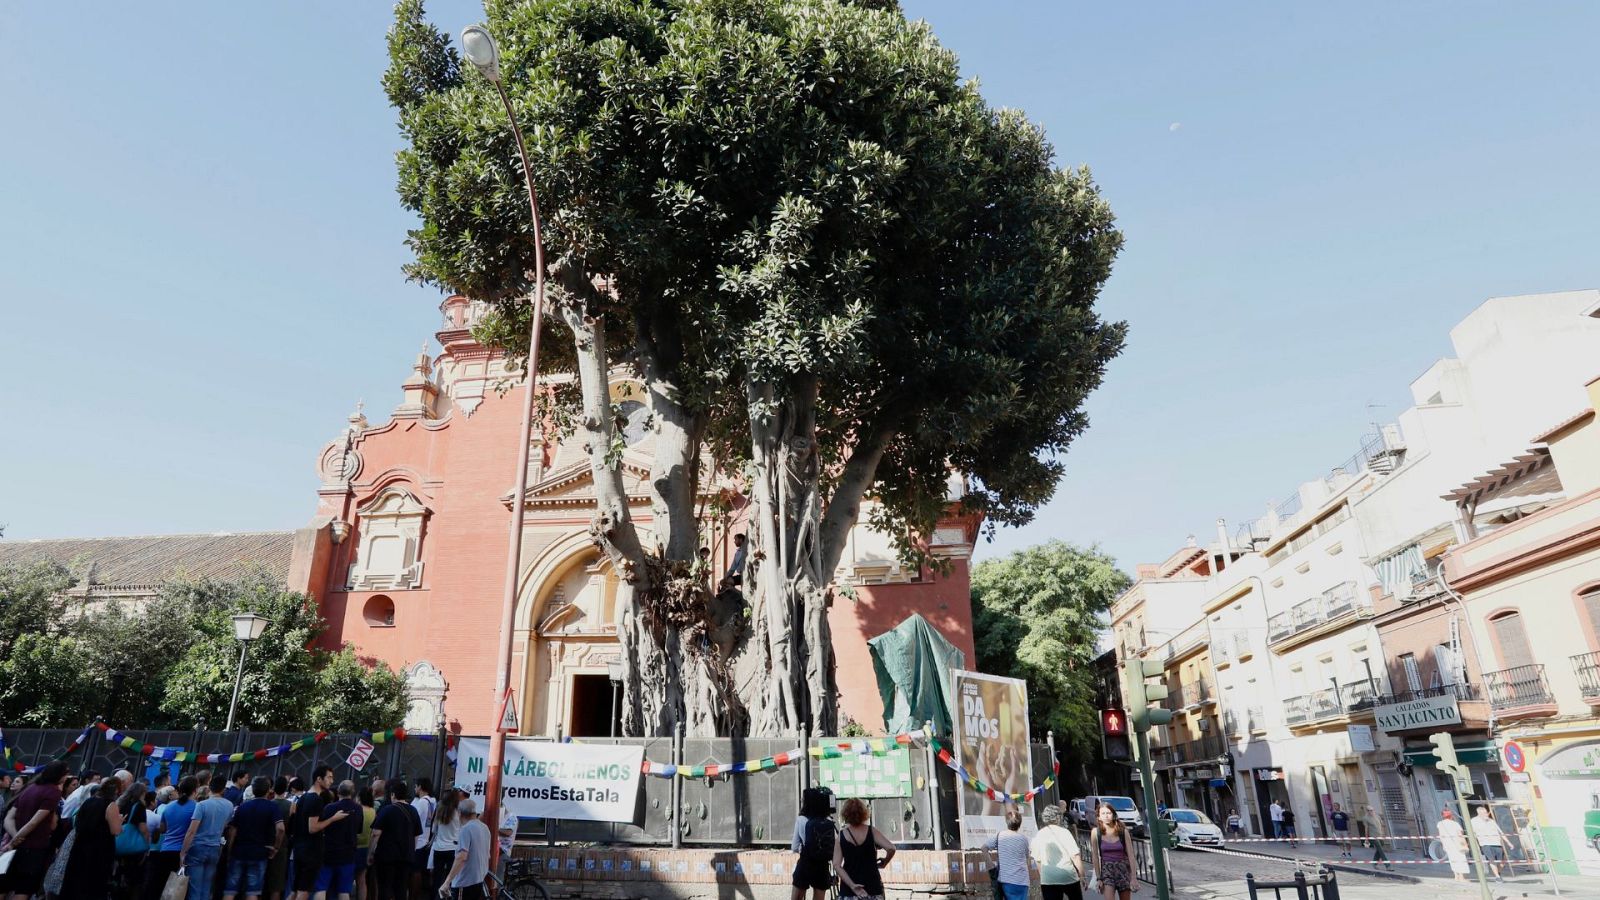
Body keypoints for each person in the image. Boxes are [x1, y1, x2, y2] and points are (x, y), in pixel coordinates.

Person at [2, 761, 68, 900]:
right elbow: (35, 822)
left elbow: (9, 818)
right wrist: (15, 840)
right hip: (34, 847)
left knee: (4, 884)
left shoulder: (30, 788)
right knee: (23, 888)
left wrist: (15, 837)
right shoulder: (53, 792)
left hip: (18, 846)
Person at [59, 776, 126, 900]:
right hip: (100, 850)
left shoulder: (88, 801)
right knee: (93, 884)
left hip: (80, 847)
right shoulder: (111, 805)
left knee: (76, 881)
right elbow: (115, 830)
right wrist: (120, 821)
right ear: (116, 790)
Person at [225, 777, 286, 900]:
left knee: (230, 890)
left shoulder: (243, 807)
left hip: (239, 851)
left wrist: (230, 849)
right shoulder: (272, 807)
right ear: (269, 790)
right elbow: (281, 828)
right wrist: (276, 847)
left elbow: (233, 831)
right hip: (259, 852)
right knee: (252, 891)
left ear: (252, 789)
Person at [290, 767, 344, 900]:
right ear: (319, 779)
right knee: (304, 891)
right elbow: (312, 828)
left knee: (295, 890)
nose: (332, 781)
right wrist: (333, 819)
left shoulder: (303, 798)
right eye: (329, 777)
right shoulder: (316, 799)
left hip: (300, 848)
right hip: (310, 851)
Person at [142, 775, 198, 900]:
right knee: (176, 889)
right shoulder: (196, 807)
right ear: (195, 790)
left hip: (166, 849)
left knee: (160, 884)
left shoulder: (169, 807)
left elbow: (163, 828)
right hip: (182, 852)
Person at [184, 774, 237, 900]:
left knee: (195, 887)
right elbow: (225, 825)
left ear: (209, 787)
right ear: (223, 789)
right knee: (207, 887)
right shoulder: (229, 805)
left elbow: (192, 831)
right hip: (215, 847)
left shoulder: (202, 805)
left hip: (198, 846)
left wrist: (183, 852)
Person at [833, 798, 896, 900]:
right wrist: (885, 862)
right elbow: (891, 848)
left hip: (849, 890)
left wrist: (853, 885)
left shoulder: (841, 835)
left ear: (845, 814)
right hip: (873, 887)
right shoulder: (871, 831)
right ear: (864, 813)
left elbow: (836, 865)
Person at [369, 780, 418, 900]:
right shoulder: (413, 810)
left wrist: (370, 852)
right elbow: (416, 835)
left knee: (384, 887)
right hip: (406, 856)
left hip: (387, 856)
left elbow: (376, 833)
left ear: (393, 794)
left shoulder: (387, 810)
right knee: (401, 888)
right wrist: (411, 850)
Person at [318, 781, 364, 900]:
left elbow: (321, 827)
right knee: (344, 891)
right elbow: (359, 830)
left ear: (338, 792)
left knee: (321, 888)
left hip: (328, 852)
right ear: (353, 792)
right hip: (348, 854)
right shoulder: (358, 809)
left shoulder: (329, 808)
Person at [438, 797, 491, 900]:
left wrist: (447, 882)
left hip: (464, 882)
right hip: (479, 880)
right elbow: (487, 855)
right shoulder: (485, 828)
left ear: (460, 813)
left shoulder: (465, 830)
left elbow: (461, 857)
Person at [1029, 804, 1084, 900]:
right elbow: (1075, 856)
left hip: (1048, 877)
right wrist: (1082, 875)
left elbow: (1037, 860)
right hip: (1068, 875)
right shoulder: (1065, 832)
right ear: (1058, 817)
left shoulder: (1039, 834)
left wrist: (1043, 876)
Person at [790, 787, 835, 900]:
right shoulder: (827, 821)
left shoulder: (801, 819)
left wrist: (805, 848)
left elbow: (794, 846)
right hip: (822, 864)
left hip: (805, 863)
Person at [114, 780, 154, 898]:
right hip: (133, 847)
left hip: (119, 842)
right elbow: (143, 828)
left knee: (120, 873)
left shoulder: (120, 803)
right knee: (134, 878)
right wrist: (147, 845)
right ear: (141, 793)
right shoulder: (139, 806)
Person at [1089, 802, 1133, 900]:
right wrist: (1099, 878)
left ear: (1113, 814)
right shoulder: (1095, 833)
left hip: (1123, 869)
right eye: (1103, 813)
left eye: (1108, 813)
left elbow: (1131, 855)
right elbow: (1095, 856)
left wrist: (1133, 877)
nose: (1106, 816)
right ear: (1099, 817)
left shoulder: (1123, 831)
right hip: (1107, 871)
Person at [985, 807, 1031, 900]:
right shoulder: (1024, 839)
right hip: (1022, 881)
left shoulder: (1000, 836)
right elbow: (1027, 858)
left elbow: (983, 848)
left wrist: (991, 865)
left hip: (1006, 880)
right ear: (1020, 823)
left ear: (1007, 822)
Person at [263, 778, 294, 900]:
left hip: (265, 842)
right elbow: (290, 826)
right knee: (277, 883)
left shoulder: (268, 804)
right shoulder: (291, 805)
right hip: (281, 845)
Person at [429, 789, 464, 895]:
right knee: (451, 879)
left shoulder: (439, 812)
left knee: (437, 878)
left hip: (439, 848)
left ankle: (435, 896)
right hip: (453, 848)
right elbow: (462, 830)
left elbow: (433, 830)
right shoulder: (458, 813)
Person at [410, 778, 437, 897]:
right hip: (426, 839)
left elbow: (413, 818)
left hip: (418, 840)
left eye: (415, 786)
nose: (415, 789)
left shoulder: (421, 802)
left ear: (420, 787)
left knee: (415, 872)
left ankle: (413, 895)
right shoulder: (432, 801)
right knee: (421, 870)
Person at [1472, 805, 1507, 882]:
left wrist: (1509, 843)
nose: (1486, 814)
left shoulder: (1491, 821)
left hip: (1497, 842)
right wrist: (1476, 844)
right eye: (1484, 813)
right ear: (1479, 813)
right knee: (1492, 860)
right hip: (1485, 843)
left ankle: (1498, 872)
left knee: (1503, 860)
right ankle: (1497, 877)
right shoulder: (1474, 821)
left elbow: (1500, 832)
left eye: (1486, 812)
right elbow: (1473, 833)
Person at [356, 787, 377, 900]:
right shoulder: (373, 811)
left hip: (355, 847)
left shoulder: (358, 810)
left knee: (347, 879)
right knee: (362, 880)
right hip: (366, 847)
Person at [1437, 809, 1468, 882]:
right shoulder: (1455, 824)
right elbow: (1460, 834)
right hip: (1457, 843)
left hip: (1447, 844)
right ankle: (1461, 877)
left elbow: (1441, 835)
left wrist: (1443, 844)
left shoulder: (1440, 824)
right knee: (1460, 859)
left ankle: (1456, 876)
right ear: (1451, 816)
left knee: (1452, 859)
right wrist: (1464, 843)